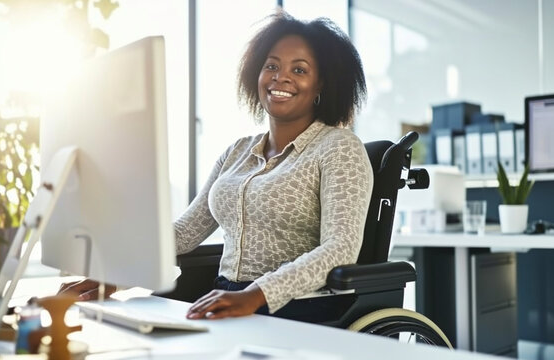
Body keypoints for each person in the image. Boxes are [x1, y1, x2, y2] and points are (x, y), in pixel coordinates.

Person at [60, 10, 373, 321]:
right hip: (225, 297)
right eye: (272, 66)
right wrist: (115, 274)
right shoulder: (238, 151)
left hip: (299, 306)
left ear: (321, 85)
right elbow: (186, 231)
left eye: (300, 70)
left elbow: (340, 248)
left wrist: (255, 295)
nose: (281, 77)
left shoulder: (339, 147)